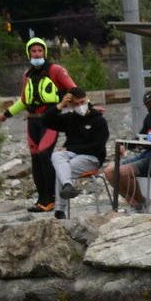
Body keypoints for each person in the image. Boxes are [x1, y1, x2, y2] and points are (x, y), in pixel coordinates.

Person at [0, 37, 78, 213]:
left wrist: (88, 109)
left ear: (45, 53)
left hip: (50, 119)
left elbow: (74, 90)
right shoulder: (27, 75)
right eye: (33, 51)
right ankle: (42, 199)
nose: (37, 54)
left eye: (40, 51)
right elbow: (24, 101)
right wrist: (6, 114)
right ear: (29, 53)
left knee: (43, 155)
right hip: (32, 120)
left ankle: (52, 198)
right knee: (35, 158)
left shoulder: (56, 70)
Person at [44, 89, 110, 219]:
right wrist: (60, 105)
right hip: (71, 154)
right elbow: (46, 121)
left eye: (82, 102)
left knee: (62, 169)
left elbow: (97, 146)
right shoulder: (70, 118)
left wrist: (70, 148)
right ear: (71, 105)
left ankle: (59, 210)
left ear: (87, 99)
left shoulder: (98, 121)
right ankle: (68, 185)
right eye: (76, 104)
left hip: (91, 158)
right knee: (56, 156)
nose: (80, 106)